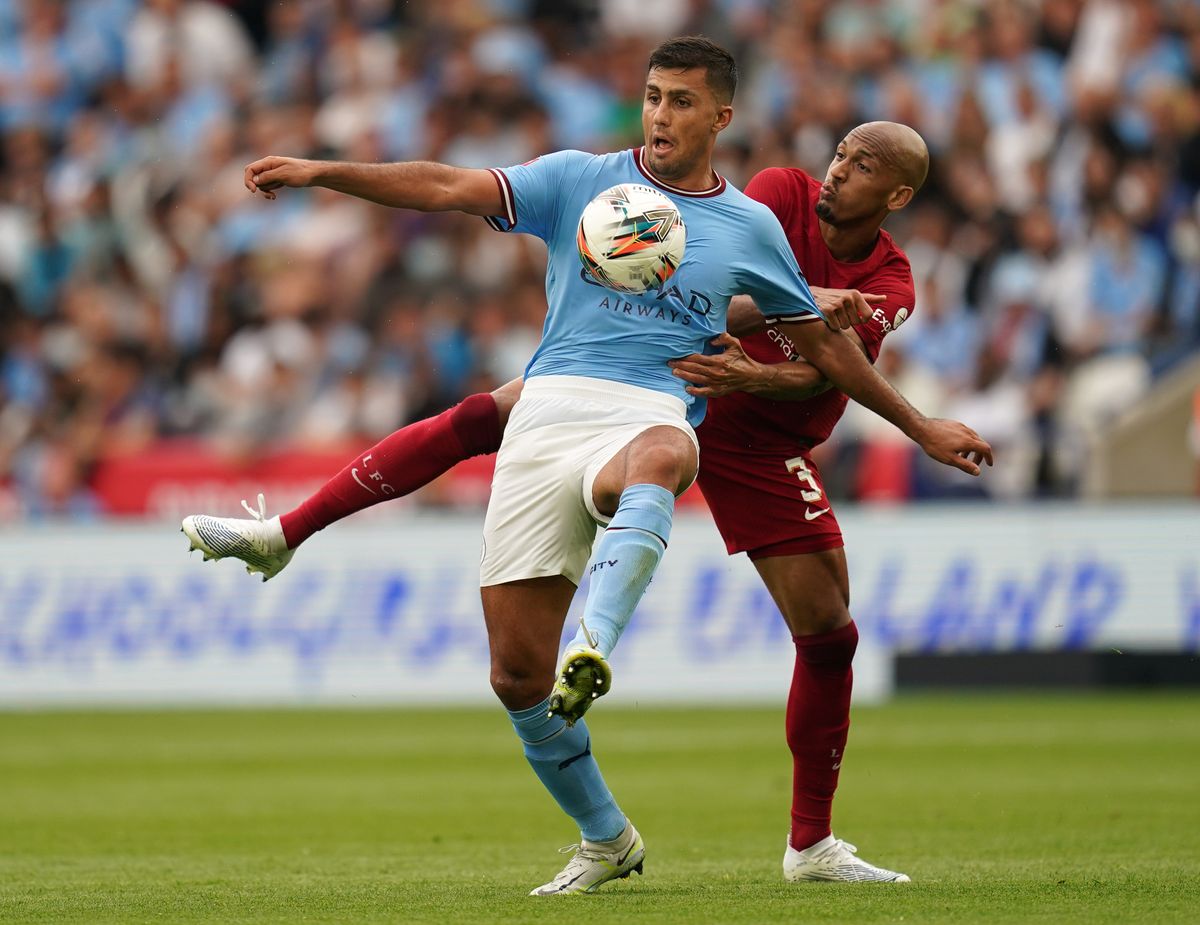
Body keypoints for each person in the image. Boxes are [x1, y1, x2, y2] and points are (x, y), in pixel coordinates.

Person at [183, 37, 990, 893]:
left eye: (681, 101)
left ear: (720, 116)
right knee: (509, 636)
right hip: (605, 386)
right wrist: (323, 170)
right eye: (652, 97)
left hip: (719, 416)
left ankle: (792, 826)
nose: (660, 115)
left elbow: (821, 352)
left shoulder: (852, 262)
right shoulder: (658, 185)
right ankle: (287, 535)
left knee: (822, 622)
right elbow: (454, 187)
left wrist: (914, 421)